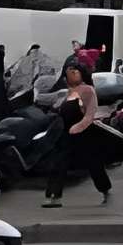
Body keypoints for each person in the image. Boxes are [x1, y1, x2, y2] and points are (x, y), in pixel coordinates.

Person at [42, 64, 111, 208]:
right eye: (69, 73)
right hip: (67, 133)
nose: (72, 76)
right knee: (59, 162)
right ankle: (53, 195)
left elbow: (90, 114)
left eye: (75, 72)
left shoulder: (88, 90)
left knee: (93, 162)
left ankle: (104, 188)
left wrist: (78, 127)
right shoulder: (67, 92)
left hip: (84, 132)